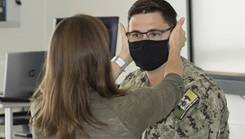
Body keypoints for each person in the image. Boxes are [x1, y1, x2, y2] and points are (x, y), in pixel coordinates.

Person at [30, 13, 186, 139]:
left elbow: (84, 86)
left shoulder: (40, 110)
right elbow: (172, 86)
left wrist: (123, 56)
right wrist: (174, 48)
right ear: (100, 56)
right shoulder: (126, 108)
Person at [116, 0, 230, 138]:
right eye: (136, 35)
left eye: (154, 34)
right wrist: (122, 57)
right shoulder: (131, 82)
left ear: (174, 35)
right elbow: (86, 101)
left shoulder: (199, 90)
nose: (144, 41)